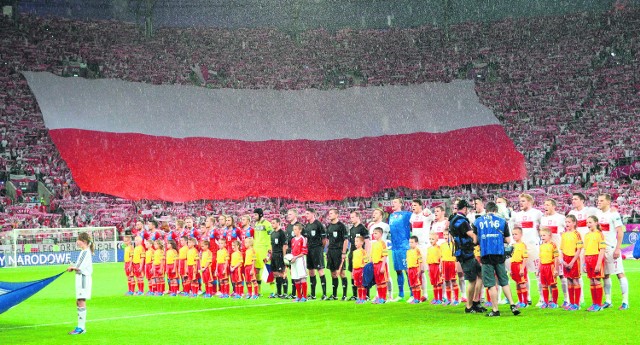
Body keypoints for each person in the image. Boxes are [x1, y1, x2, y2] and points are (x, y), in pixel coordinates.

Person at [473, 202, 520, 317]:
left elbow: (475, 241)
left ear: (486, 209)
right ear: (495, 210)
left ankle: (495, 310)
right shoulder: (502, 221)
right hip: (499, 254)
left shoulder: (478, 221)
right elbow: (509, 240)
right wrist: (498, 238)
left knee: (490, 284)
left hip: (486, 254)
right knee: (504, 281)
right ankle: (512, 304)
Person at [596, 194, 629, 310]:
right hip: (601, 249)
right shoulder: (598, 214)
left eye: (601, 200)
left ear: (608, 202)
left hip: (611, 248)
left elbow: (620, 232)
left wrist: (617, 248)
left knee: (619, 273)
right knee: (605, 275)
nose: (598, 202)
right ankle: (608, 301)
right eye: (598, 200)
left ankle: (625, 301)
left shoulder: (614, 214)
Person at [451, 199, 484, 314]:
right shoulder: (461, 220)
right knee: (472, 280)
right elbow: (472, 235)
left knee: (481, 274)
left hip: (464, 252)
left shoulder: (454, 219)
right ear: (464, 208)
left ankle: (475, 302)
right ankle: (469, 306)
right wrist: (477, 240)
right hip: (466, 253)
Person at [513, 193, 543, 306]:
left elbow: (543, 227)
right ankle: (527, 298)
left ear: (530, 202)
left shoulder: (537, 213)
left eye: (523, 201)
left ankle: (541, 298)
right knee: (522, 274)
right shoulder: (517, 215)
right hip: (521, 248)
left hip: (533, 247)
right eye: (520, 201)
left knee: (537, 273)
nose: (521, 203)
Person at [568, 192, 597, 304]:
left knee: (593, 274)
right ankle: (581, 298)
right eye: (572, 199)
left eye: (575, 199)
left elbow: (602, 213)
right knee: (577, 272)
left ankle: (597, 300)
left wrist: (613, 209)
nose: (573, 201)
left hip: (589, 245)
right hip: (577, 246)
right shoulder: (571, 213)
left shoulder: (590, 211)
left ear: (582, 200)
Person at [541, 198, 568, 306]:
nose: (545, 207)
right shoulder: (543, 219)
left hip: (558, 252)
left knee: (562, 275)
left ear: (553, 206)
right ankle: (552, 300)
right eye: (544, 205)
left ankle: (567, 299)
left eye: (547, 205)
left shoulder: (561, 218)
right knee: (550, 278)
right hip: (547, 253)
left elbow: (566, 234)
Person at [67, 232, 94, 335]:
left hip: (83, 279)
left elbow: (79, 267)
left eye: (78, 240)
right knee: (78, 302)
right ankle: (80, 326)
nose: (76, 242)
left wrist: (72, 267)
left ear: (83, 241)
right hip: (81, 278)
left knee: (81, 301)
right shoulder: (85, 252)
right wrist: (73, 266)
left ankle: (81, 328)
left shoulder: (85, 252)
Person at [410, 199, 434, 302]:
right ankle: (424, 294)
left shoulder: (426, 213)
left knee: (429, 270)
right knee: (420, 271)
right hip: (416, 247)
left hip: (425, 246)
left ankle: (440, 294)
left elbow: (433, 217)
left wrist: (429, 213)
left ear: (420, 206)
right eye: (412, 205)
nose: (413, 207)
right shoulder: (412, 216)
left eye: (415, 205)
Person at [389, 198, 412, 301]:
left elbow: (417, 218)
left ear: (401, 204)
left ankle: (412, 294)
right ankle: (401, 294)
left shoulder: (406, 214)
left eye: (395, 202)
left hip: (404, 246)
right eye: (392, 202)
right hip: (395, 247)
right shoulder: (391, 216)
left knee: (407, 270)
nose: (392, 204)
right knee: (398, 270)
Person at [304, 208, 327, 300]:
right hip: (309, 250)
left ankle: (324, 294)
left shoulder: (318, 224)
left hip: (317, 249)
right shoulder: (307, 226)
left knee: (320, 270)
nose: (306, 215)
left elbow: (324, 239)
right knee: (311, 271)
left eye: (308, 213)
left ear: (313, 214)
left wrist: (320, 249)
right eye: (305, 213)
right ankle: (313, 294)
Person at [584, 216, 606, 312]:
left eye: (590, 222)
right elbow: (586, 250)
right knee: (592, 282)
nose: (588, 224)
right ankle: (594, 304)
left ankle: (599, 304)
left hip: (596, 258)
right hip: (588, 258)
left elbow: (602, 250)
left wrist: (598, 264)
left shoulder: (599, 234)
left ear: (596, 223)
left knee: (597, 281)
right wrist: (585, 263)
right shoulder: (587, 235)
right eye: (587, 222)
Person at [326, 208, 349, 300]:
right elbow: (328, 240)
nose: (329, 215)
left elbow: (346, 240)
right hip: (330, 252)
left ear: (336, 215)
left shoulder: (341, 226)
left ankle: (344, 295)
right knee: (333, 273)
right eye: (329, 213)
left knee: (342, 273)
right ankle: (334, 295)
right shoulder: (329, 226)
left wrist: (343, 252)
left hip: (339, 252)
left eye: (331, 213)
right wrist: (327, 252)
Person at [561, 215, 583, 311]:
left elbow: (579, 249)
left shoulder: (577, 234)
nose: (567, 224)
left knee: (575, 280)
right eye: (566, 222)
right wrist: (563, 261)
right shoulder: (564, 234)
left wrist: (572, 261)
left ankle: (577, 304)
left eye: (569, 222)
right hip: (566, 259)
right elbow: (562, 249)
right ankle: (571, 303)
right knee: (569, 280)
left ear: (574, 223)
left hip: (574, 259)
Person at [348, 211, 370, 301]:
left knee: (363, 275)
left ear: (357, 217)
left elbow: (367, 242)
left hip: (361, 255)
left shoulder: (363, 229)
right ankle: (355, 295)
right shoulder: (351, 229)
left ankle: (366, 295)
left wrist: (367, 255)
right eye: (350, 217)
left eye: (353, 217)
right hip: (353, 254)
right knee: (352, 275)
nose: (351, 219)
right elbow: (351, 243)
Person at [252, 208, 273, 296]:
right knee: (257, 271)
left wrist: (270, 249)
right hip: (257, 250)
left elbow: (271, 235)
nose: (254, 216)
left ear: (260, 215)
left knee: (268, 269)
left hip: (265, 249)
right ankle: (259, 291)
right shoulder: (256, 224)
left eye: (255, 215)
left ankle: (273, 291)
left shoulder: (267, 224)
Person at [538, 228, 559, 308]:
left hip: (550, 266)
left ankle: (554, 302)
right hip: (543, 267)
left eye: (544, 235)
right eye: (541, 235)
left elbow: (556, 258)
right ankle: (546, 302)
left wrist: (556, 269)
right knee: (544, 285)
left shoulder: (553, 245)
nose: (542, 237)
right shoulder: (541, 246)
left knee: (553, 285)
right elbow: (540, 258)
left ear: (550, 236)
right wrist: (538, 270)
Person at [285, 208, 303, 298]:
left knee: (299, 273)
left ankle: (300, 293)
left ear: (295, 215)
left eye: (290, 214)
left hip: (298, 254)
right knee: (292, 273)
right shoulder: (288, 227)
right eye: (288, 214)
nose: (288, 216)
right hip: (290, 253)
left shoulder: (299, 226)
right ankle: (294, 293)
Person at [268, 218, 288, 298]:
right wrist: (270, 256)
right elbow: (272, 246)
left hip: (280, 255)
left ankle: (285, 293)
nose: (272, 224)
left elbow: (284, 246)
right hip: (274, 256)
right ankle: (279, 293)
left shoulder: (282, 233)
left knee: (282, 274)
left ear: (278, 223)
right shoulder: (272, 233)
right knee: (275, 274)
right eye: (271, 223)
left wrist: (284, 257)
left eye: (273, 223)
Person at [440, 227, 460, 306]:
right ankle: (448, 299)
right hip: (445, 264)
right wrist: (440, 266)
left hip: (452, 263)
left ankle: (456, 299)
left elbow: (456, 256)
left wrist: (456, 265)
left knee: (453, 281)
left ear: (451, 235)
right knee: (446, 281)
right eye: (444, 234)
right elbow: (441, 257)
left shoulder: (454, 244)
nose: (445, 236)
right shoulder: (442, 245)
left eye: (447, 234)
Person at [510, 227, 529, 308]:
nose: (514, 236)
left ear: (521, 235)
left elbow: (525, 257)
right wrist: (511, 270)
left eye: (516, 234)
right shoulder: (512, 245)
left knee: (522, 284)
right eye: (513, 234)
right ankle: (520, 301)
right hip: (513, 266)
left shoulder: (523, 245)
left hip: (520, 265)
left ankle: (525, 302)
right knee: (517, 284)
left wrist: (522, 269)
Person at [290, 223, 308, 302]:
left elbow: (304, 252)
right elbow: (292, 250)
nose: (294, 231)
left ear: (300, 230)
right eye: (293, 229)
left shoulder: (302, 239)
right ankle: (299, 296)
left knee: (302, 278)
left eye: (296, 229)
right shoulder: (293, 239)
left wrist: (296, 257)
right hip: (294, 260)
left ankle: (305, 296)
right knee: (296, 278)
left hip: (300, 260)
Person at [370, 227, 389, 304]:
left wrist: (382, 266)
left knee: (382, 282)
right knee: (378, 282)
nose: (374, 235)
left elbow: (385, 255)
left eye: (376, 233)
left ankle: (383, 298)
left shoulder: (382, 243)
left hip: (381, 264)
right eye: (373, 233)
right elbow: (372, 255)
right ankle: (379, 297)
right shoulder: (374, 244)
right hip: (375, 265)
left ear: (380, 234)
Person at [425, 233, 442, 304]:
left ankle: (440, 299)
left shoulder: (438, 248)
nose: (431, 240)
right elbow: (428, 258)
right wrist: (428, 268)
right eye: (430, 239)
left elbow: (441, 257)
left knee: (438, 283)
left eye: (433, 239)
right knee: (434, 283)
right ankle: (435, 298)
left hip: (436, 266)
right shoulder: (429, 249)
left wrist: (440, 266)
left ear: (437, 240)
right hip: (431, 266)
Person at [406, 235, 423, 305]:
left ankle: (418, 299)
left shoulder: (417, 251)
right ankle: (415, 298)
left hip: (415, 269)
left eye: (412, 242)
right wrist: (407, 268)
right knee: (412, 284)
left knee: (417, 284)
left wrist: (419, 269)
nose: (410, 244)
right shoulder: (408, 251)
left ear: (416, 243)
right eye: (409, 242)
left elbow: (420, 261)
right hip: (410, 270)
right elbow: (408, 261)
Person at [351, 236, 368, 304]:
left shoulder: (363, 251)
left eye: (357, 241)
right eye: (355, 241)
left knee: (362, 284)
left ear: (362, 242)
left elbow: (366, 261)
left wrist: (364, 270)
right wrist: (353, 271)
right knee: (358, 285)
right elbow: (354, 262)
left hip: (361, 269)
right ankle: (360, 298)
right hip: (356, 270)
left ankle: (363, 298)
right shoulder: (354, 252)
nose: (356, 243)